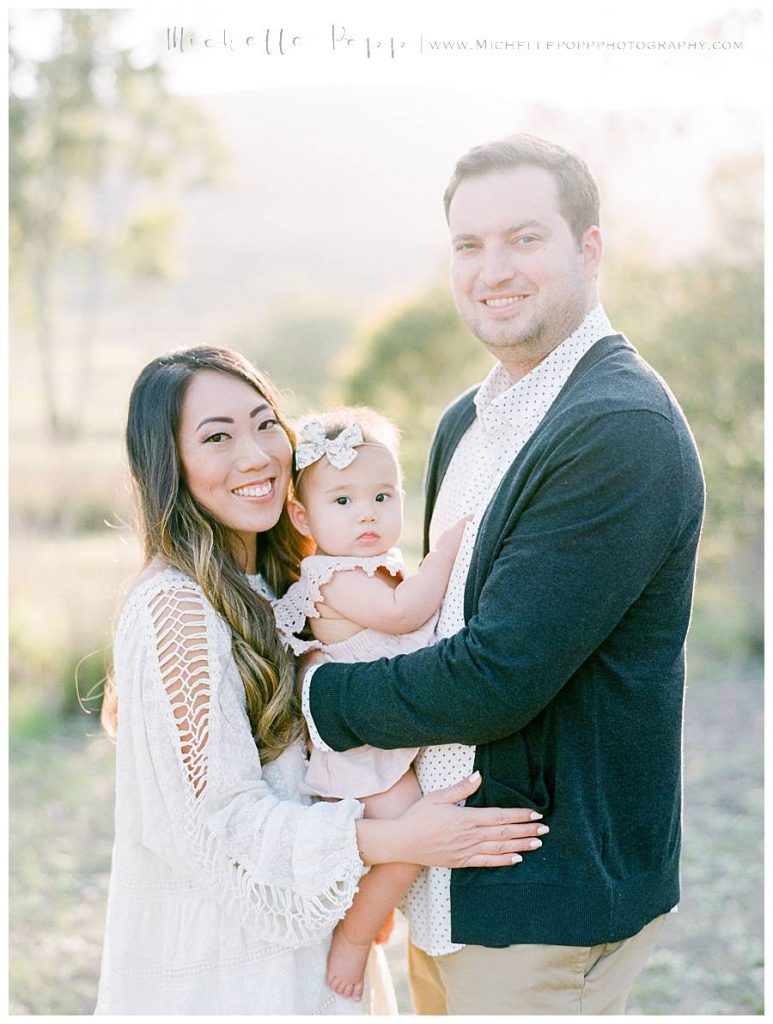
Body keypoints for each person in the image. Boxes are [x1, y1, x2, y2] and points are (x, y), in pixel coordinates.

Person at [301, 134, 706, 1014]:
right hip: (444, 889)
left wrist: (316, 700)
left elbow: (494, 678)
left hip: (540, 899)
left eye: (524, 238)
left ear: (588, 249)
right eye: (468, 246)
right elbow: (434, 619)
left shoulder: (615, 429)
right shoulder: (466, 421)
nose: (492, 271)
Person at [95, 345, 547, 1015]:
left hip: (310, 941)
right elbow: (215, 827)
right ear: (171, 466)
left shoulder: (280, 581)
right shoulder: (177, 607)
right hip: (230, 975)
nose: (255, 455)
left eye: (263, 424)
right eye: (217, 437)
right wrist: (397, 840)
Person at [272, 406, 476, 1001]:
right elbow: (404, 615)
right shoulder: (330, 577)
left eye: (384, 496)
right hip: (362, 756)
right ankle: (357, 938)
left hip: (387, 741)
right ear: (302, 515)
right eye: (343, 502)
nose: (368, 513)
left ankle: (371, 910)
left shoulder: (379, 566)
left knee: (403, 845)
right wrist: (447, 553)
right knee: (411, 841)